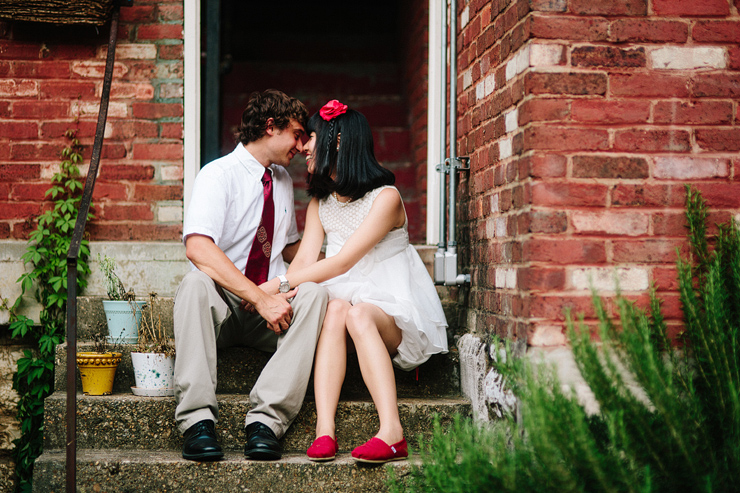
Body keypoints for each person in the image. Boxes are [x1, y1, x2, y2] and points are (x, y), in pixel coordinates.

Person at [259, 100, 448, 464]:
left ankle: (392, 432)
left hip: (392, 312)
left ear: (339, 141)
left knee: (358, 313)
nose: (303, 147)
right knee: (335, 309)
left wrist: (275, 285)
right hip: (345, 303)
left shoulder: (387, 198)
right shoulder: (321, 203)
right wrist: (270, 292)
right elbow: (303, 262)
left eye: (310, 137)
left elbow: (343, 261)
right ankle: (325, 431)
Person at [174, 89, 328, 462]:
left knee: (317, 294)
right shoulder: (217, 175)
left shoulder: (284, 182)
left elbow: (286, 247)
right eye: (296, 133)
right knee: (194, 283)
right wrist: (259, 297)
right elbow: (198, 248)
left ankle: (266, 421)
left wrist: (340, 255)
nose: (302, 143)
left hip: (271, 313)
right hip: (225, 306)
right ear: (270, 126)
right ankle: (197, 421)